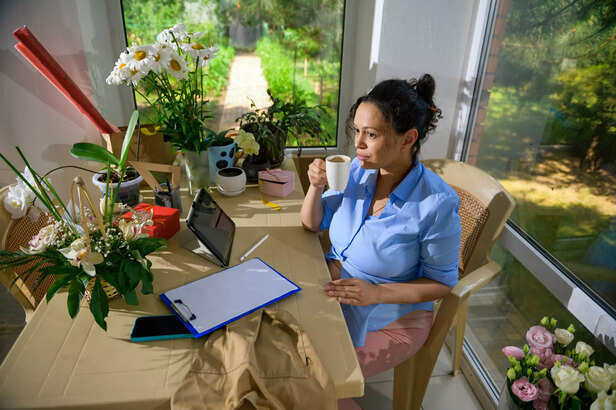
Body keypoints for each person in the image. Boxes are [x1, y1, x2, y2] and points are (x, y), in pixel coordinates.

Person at [300, 75, 461, 409]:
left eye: (371, 134)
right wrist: (314, 187)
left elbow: (441, 284)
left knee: (311, 383)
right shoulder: (357, 171)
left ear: (408, 139)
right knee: (277, 355)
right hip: (335, 292)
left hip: (391, 317)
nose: (358, 143)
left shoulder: (436, 203)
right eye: (356, 130)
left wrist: (376, 293)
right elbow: (312, 223)